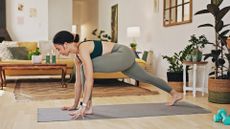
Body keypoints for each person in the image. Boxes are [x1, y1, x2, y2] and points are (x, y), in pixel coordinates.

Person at [53, 30, 183, 119]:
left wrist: (84, 105)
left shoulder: (83, 48)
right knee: (147, 77)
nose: (58, 53)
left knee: (86, 69)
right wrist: (74, 105)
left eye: (58, 49)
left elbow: (89, 79)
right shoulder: (77, 57)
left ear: (65, 44)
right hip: (123, 58)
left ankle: (88, 107)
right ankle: (175, 93)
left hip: (123, 54)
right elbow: (79, 82)